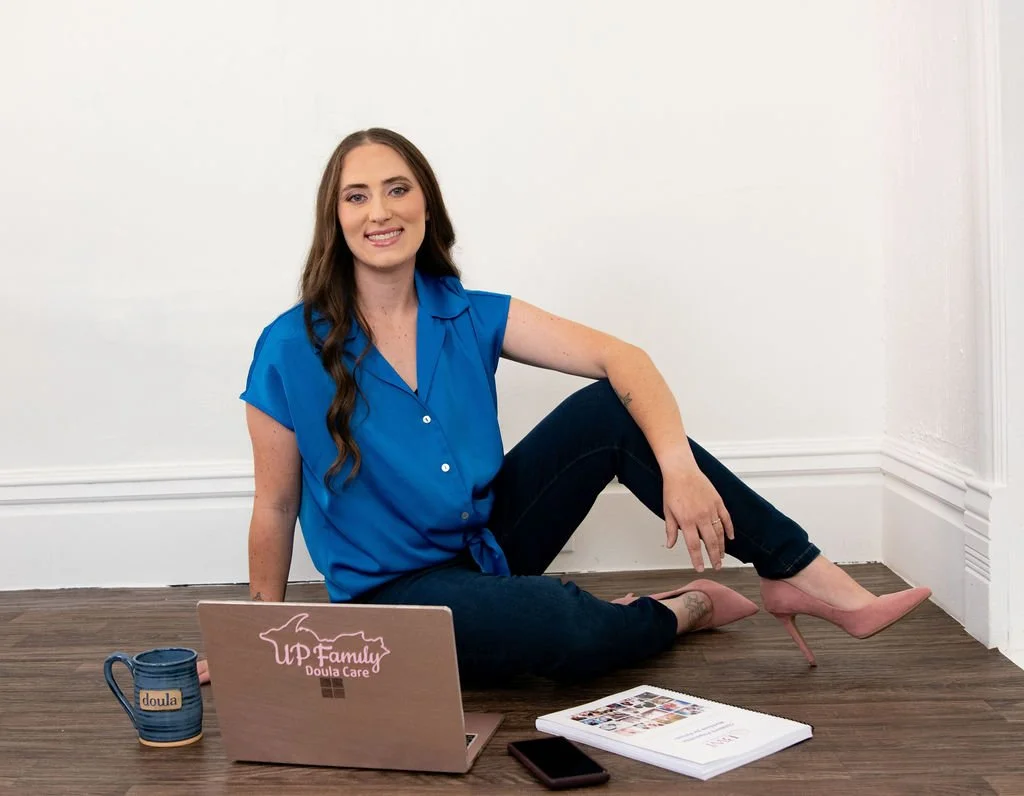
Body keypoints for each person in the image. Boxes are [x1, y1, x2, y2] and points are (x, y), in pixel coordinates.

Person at [197, 128, 931, 686]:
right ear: (336, 217)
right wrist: (255, 642)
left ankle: (797, 570)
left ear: (426, 204)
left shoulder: (472, 315)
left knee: (610, 410)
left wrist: (675, 465)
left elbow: (625, 359)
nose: (380, 212)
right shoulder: (289, 346)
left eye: (397, 189)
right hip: (396, 599)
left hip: (486, 545)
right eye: (357, 196)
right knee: (564, 627)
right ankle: (682, 608)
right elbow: (276, 505)